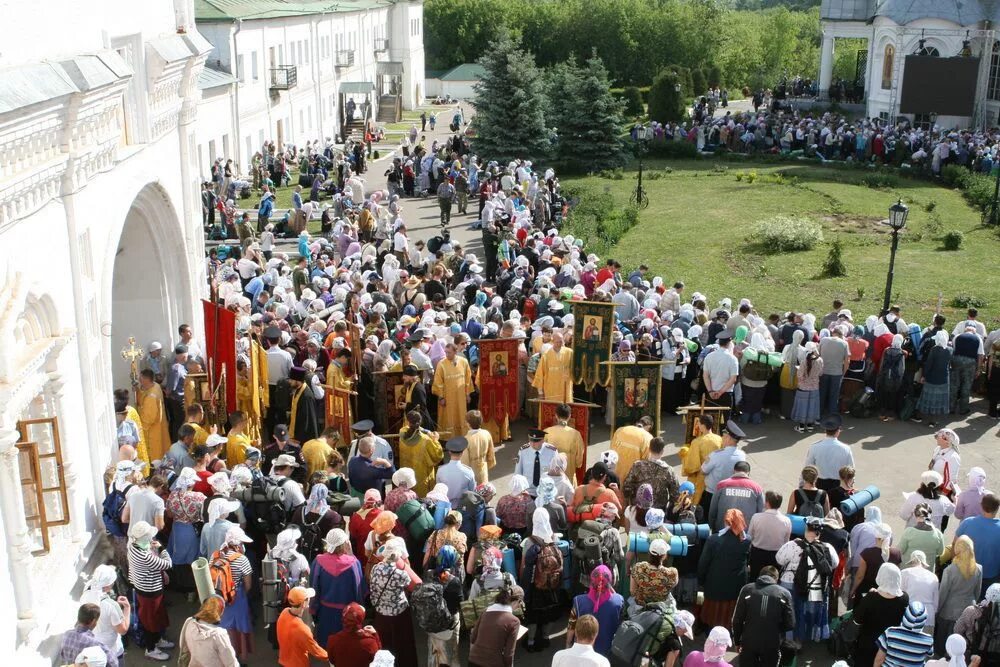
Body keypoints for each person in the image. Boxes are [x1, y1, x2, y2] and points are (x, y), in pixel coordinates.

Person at [775, 517, 839, 642]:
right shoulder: (827, 547)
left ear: (805, 530)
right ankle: (811, 635)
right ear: (819, 532)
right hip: (815, 584)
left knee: (792, 611)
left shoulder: (792, 545)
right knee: (810, 610)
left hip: (790, 584)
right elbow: (834, 564)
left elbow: (779, 559)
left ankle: (791, 637)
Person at [310, 528, 367, 647]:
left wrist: (314, 608)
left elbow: (314, 587)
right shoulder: (352, 562)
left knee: (327, 644)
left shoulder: (318, 561)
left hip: (325, 611)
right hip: (348, 613)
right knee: (347, 646)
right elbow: (359, 589)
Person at [126, 520, 174, 660]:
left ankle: (158, 640)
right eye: (149, 536)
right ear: (144, 538)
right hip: (150, 591)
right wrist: (161, 549)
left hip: (144, 587)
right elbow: (168, 564)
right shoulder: (145, 556)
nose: (152, 538)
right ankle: (151, 648)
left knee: (157, 616)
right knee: (150, 621)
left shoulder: (132, 547)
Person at [368, 540, 419, 667]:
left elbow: (373, 588)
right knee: (403, 644)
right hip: (399, 613)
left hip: (381, 613)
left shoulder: (376, 568)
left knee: (383, 644)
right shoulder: (400, 574)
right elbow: (412, 587)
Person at [698, 508, 751, 632]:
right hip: (735, 586)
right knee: (729, 614)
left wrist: (701, 581)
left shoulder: (714, 540)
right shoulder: (746, 540)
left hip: (714, 585)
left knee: (713, 615)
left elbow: (703, 563)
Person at [732, 564, 795, 667]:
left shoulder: (747, 589)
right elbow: (790, 624)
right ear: (776, 578)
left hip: (749, 641)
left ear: (760, 575)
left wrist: (737, 641)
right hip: (772, 642)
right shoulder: (785, 593)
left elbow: (737, 620)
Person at [520, 507, 563, 652]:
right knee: (548, 614)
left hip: (535, 585)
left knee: (533, 615)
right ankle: (546, 638)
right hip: (552, 584)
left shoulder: (530, 541)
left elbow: (525, 565)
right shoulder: (554, 539)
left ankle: (531, 641)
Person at [852, 563, 909, 667]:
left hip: (868, 645)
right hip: (891, 646)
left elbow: (857, 618)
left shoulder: (871, 597)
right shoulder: (905, 598)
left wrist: (869, 595)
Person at [936, 536, 983, 655]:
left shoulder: (950, 570)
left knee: (942, 644)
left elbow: (943, 594)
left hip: (948, 612)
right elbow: (977, 592)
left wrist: (937, 611)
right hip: (968, 611)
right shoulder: (978, 569)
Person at [566, 565, 623, 657]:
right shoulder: (619, 601)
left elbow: (571, 626)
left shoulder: (578, 601)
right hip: (607, 650)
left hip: (582, 651)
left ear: (591, 580)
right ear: (610, 581)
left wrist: (568, 644)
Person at [79, 564, 130, 667]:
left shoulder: (87, 588)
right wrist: (127, 608)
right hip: (111, 650)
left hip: (93, 648)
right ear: (107, 586)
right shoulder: (111, 605)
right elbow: (123, 630)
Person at [468, 581, 523, 667]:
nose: (519, 607)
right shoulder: (514, 621)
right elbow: (508, 654)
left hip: (473, 661)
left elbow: (473, 638)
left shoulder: (485, 612)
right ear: (517, 601)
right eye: (520, 603)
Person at [425, 544, 463, 667]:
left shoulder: (429, 575)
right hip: (450, 622)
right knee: (452, 653)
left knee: (435, 651)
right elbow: (459, 602)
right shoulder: (455, 581)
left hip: (433, 621)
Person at [177, 596, 240, 667]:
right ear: (220, 612)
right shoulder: (219, 634)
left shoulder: (189, 622)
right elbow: (230, 662)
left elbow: (184, 647)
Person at [699, 420, 746, 515]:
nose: (722, 438)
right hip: (731, 495)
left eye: (724, 436)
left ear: (728, 439)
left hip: (712, 494)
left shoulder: (716, 455)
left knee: (706, 520)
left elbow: (703, 471)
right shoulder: (742, 455)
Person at [956, 493, 1000, 594]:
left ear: (981, 505)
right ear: (997, 508)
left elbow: (955, 545)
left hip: (967, 572)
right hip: (992, 575)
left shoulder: (967, 523)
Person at [622, 436, 679, 510]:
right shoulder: (669, 470)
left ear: (649, 449)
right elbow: (675, 494)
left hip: (638, 508)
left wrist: (630, 502)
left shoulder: (638, 465)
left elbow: (627, 487)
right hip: (659, 510)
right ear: (662, 451)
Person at [277, 586, 329, 667]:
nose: (309, 600)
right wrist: (330, 656)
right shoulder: (302, 629)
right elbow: (316, 650)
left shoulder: (284, 612)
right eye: (307, 598)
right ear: (303, 603)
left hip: (283, 661)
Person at [851, 523, 901, 606]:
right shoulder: (896, 554)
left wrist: (853, 589)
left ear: (876, 537)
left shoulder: (867, 553)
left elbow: (860, 576)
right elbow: (897, 574)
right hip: (888, 592)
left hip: (867, 589)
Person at [708, 460, 764, 532]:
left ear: (734, 471)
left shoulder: (721, 485)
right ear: (748, 472)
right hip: (746, 533)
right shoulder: (757, 488)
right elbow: (761, 512)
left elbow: (713, 509)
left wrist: (712, 526)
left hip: (722, 530)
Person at [397, 410, 443, 497]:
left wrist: (426, 431)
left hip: (406, 476)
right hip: (421, 479)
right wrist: (436, 440)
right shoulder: (425, 440)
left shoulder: (402, 432)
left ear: (407, 421)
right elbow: (438, 455)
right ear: (420, 421)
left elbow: (411, 428)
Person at [802, 415, 854, 491]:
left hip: (819, 484)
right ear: (838, 431)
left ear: (825, 431)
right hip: (839, 485)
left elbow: (807, 468)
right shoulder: (846, 448)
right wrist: (850, 485)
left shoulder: (814, 447)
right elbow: (851, 470)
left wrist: (802, 485)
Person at [874, 600, 934, 666]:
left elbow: (879, 659)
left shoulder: (890, 632)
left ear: (905, 615)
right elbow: (930, 654)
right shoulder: (928, 640)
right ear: (924, 620)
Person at [432, 342, 473, 437]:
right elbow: (438, 382)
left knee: (461, 416)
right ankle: (448, 438)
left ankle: (462, 436)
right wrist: (441, 397)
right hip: (447, 398)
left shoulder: (464, 362)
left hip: (460, 397)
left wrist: (467, 394)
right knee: (448, 418)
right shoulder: (441, 364)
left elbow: (468, 379)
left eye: (449, 352)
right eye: (445, 352)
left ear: (455, 352)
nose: (446, 355)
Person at [748, 491, 791, 578]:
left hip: (757, 555)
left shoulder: (756, 517)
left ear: (767, 503)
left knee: (754, 579)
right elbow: (786, 542)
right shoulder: (786, 521)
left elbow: (750, 537)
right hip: (776, 557)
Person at [681, 414, 722, 505]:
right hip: (717, 474)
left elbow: (692, 466)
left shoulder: (697, 442)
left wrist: (684, 456)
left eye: (698, 424)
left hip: (702, 476)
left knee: (697, 500)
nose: (698, 426)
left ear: (703, 425)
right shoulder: (719, 439)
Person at [325, 602, 382, 667]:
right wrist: (375, 634)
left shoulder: (332, 640)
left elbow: (332, 660)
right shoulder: (370, 642)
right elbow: (378, 658)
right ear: (361, 619)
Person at [915, 330, 952, 428]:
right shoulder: (950, 349)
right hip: (943, 378)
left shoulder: (934, 350)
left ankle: (921, 416)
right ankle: (933, 420)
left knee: (928, 398)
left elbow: (929, 365)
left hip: (932, 378)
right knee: (938, 400)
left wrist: (924, 376)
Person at [137, 368, 171, 461]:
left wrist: (138, 425)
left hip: (153, 431)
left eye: (141, 379)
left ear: (146, 380)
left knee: (155, 456)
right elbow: (144, 393)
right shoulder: (156, 386)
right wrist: (138, 390)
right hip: (161, 426)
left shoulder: (150, 398)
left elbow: (148, 419)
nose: (140, 382)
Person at [514, 429, 558, 497]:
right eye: (530, 440)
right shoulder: (523, 451)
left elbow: (555, 472)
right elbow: (518, 472)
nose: (532, 444)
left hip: (545, 492)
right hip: (527, 492)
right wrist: (519, 491)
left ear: (543, 440)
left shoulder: (552, 451)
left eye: (536, 441)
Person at [532, 332, 574, 403]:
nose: (559, 344)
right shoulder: (546, 355)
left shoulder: (570, 353)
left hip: (565, 388)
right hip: (550, 389)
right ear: (553, 341)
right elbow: (540, 374)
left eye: (560, 341)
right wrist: (540, 392)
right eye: (557, 342)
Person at [436, 436, 476, 507]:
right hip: (463, 507)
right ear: (462, 453)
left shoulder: (440, 470)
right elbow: (472, 491)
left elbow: (439, 489)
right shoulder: (468, 471)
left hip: (446, 506)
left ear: (449, 452)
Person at [792, 345, 823, 432]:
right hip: (814, 387)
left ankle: (801, 427)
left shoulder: (804, 361)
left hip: (803, 387)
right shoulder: (820, 360)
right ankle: (810, 427)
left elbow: (799, 375)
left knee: (803, 407)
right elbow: (820, 373)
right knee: (812, 407)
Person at [462, 410, 496, 485]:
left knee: (474, 493)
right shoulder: (486, 433)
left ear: (468, 424)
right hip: (483, 468)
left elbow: (464, 462)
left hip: (472, 471)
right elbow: (491, 453)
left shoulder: (466, 440)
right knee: (484, 490)